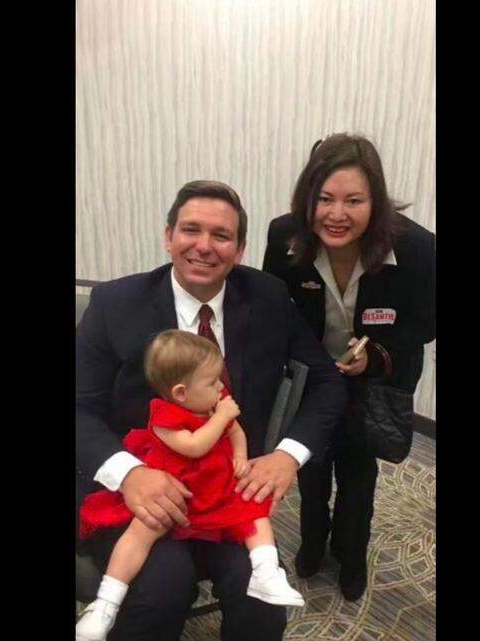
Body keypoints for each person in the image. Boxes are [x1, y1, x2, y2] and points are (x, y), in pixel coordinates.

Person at [76, 180, 347, 641]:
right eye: (190, 230)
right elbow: (79, 408)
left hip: (223, 491)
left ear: (239, 249)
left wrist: (287, 456)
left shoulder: (267, 296)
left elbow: (326, 382)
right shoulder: (114, 304)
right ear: (168, 237)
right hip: (138, 491)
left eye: (221, 236)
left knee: (261, 604)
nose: (204, 246)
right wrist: (130, 474)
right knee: (162, 591)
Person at [262, 133, 436, 601]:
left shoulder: (417, 249)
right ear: (308, 198)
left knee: (358, 473)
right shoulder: (285, 237)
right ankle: (314, 541)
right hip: (311, 379)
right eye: (325, 199)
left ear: (375, 202)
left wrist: (375, 356)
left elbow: (423, 324)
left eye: (354, 200)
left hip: (374, 381)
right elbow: (274, 310)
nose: (337, 214)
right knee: (311, 466)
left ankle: (351, 554)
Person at [76, 331, 304, 641]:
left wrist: (240, 456)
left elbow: (236, 431)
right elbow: (195, 446)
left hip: (215, 486)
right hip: (174, 489)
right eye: (213, 382)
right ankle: (105, 604)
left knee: (254, 512)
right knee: (142, 531)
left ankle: (266, 572)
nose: (222, 387)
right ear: (181, 392)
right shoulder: (165, 414)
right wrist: (221, 416)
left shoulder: (212, 400)